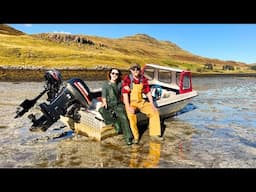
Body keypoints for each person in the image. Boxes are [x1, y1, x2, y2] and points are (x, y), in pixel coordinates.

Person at [122, 63, 164, 144]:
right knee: (131, 116)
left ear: (140, 70)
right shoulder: (127, 79)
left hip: (141, 102)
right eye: (133, 69)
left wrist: (152, 105)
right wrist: (128, 107)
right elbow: (125, 94)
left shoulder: (143, 79)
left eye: (137, 69)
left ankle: (155, 135)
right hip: (131, 103)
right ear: (130, 70)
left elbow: (148, 92)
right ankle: (136, 137)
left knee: (154, 112)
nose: (135, 71)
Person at [98, 68, 134, 145]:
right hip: (109, 103)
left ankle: (128, 138)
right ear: (110, 74)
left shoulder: (120, 83)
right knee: (101, 110)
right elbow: (103, 95)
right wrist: (104, 102)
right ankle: (116, 123)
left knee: (124, 117)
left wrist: (128, 89)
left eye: (116, 74)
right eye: (113, 73)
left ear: (118, 75)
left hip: (118, 104)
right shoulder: (105, 84)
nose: (114, 75)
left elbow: (124, 93)